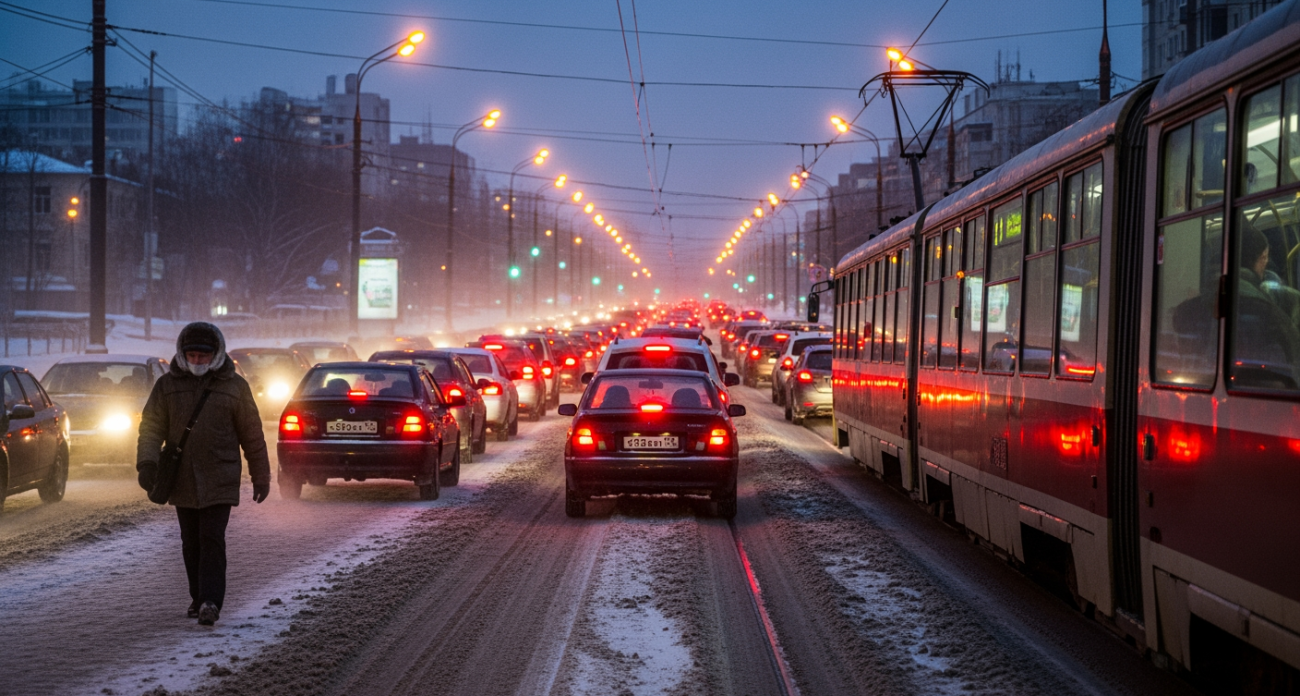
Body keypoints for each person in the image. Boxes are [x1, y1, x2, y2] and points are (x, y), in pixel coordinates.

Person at [137, 322, 270, 626]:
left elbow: (252, 434)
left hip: (220, 475)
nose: (197, 362)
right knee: (190, 541)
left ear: (216, 355)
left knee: (211, 537)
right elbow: (151, 427)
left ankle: (211, 600)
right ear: (183, 355)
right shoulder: (167, 386)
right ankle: (197, 597)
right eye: (192, 355)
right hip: (181, 477)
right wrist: (147, 463)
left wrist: (260, 474)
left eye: (203, 356)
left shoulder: (235, 387)